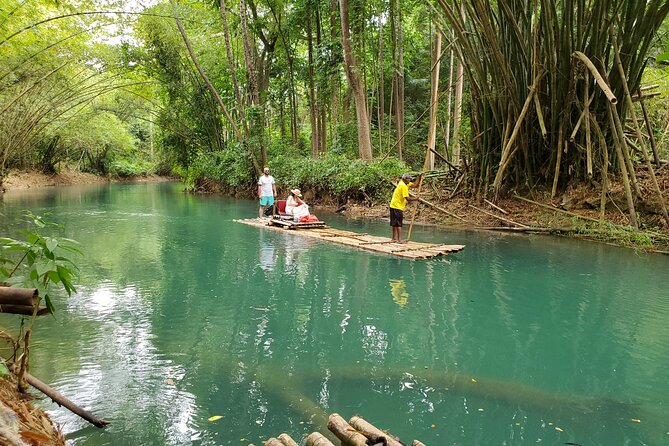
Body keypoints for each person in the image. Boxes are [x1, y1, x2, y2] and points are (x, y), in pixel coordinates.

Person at [389, 173, 421, 243]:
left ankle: (394, 238)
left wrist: (419, 177)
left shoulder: (404, 182)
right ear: (404, 179)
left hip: (393, 205)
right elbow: (407, 198)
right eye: (408, 179)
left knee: (394, 222)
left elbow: (416, 185)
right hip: (397, 206)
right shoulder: (403, 186)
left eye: (409, 178)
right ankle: (399, 240)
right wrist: (416, 198)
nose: (409, 180)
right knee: (398, 223)